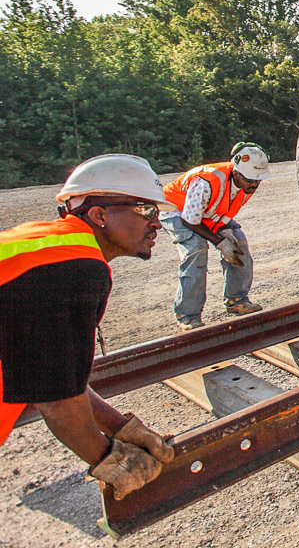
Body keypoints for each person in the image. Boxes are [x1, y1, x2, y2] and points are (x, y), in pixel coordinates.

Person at [0, 154, 177, 500]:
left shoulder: (49, 249)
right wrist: (109, 459)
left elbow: (54, 374)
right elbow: (57, 399)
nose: (157, 223)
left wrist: (120, 427)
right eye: (147, 210)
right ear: (98, 215)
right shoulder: (73, 266)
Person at [161, 143, 270, 330]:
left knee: (239, 242)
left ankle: (237, 300)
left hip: (206, 214)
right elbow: (189, 221)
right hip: (176, 210)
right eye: (250, 179)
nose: (254, 184)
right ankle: (188, 315)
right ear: (236, 173)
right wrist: (219, 242)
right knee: (196, 249)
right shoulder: (207, 182)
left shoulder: (247, 185)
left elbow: (224, 211)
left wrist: (224, 229)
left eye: (258, 180)